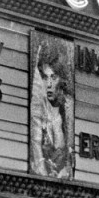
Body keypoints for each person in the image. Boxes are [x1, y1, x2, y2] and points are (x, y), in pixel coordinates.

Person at [29, 36, 72, 178]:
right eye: (45, 77)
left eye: (53, 78)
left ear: (61, 79)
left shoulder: (68, 109)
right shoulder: (39, 106)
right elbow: (35, 141)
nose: (49, 84)